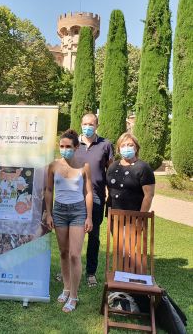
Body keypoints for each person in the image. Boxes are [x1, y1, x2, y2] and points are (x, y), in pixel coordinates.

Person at [45, 129, 93, 313]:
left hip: (78, 211)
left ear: (76, 147)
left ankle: (74, 295)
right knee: (64, 252)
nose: (65, 149)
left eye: (68, 147)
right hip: (59, 211)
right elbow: (48, 190)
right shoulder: (53, 166)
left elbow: (89, 192)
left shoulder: (84, 166)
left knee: (75, 254)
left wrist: (89, 216)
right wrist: (48, 213)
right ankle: (66, 288)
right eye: (62, 146)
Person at [74, 113, 114, 288]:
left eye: (91, 124)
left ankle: (90, 272)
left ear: (97, 125)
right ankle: (68, 268)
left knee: (94, 236)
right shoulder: (74, 144)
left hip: (97, 196)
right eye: (84, 124)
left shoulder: (106, 145)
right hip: (74, 196)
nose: (87, 127)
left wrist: (111, 195)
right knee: (73, 235)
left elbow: (111, 172)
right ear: (80, 125)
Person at [106, 132, 155, 211]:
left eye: (130, 145)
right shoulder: (112, 166)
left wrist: (140, 218)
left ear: (136, 148)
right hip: (114, 215)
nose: (126, 148)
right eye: (123, 145)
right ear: (119, 149)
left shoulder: (143, 167)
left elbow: (149, 195)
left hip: (134, 216)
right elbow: (110, 190)